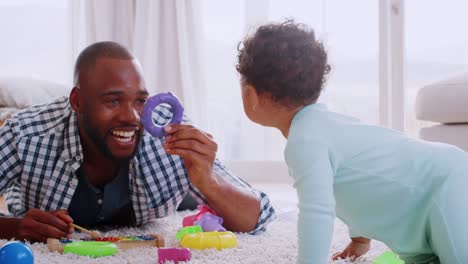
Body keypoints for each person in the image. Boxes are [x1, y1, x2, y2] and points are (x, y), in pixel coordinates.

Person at [236, 20, 468, 264]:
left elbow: (317, 213)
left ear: (251, 95)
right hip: (433, 197)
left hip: (447, 187)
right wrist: (360, 239)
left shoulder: (304, 142)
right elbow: (358, 181)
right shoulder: (324, 127)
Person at [0, 41, 275, 242]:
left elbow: (259, 216)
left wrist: (208, 182)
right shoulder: (25, 134)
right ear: (78, 101)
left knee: (190, 199)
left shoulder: (169, 131)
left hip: (158, 198)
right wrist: (14, 226)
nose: (131, 117)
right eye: (113, 100)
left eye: (140, 100)